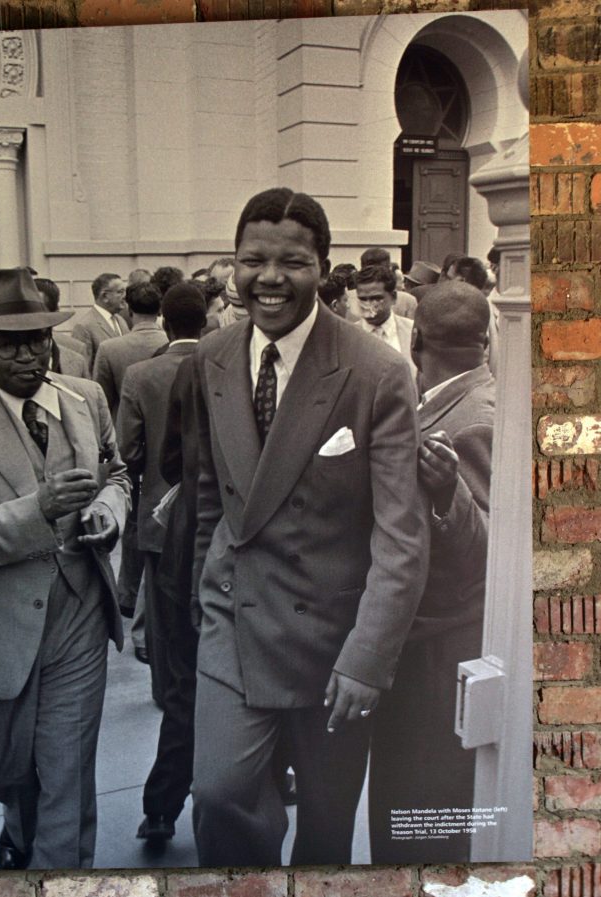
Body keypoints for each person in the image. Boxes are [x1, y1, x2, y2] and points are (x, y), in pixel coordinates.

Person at [190, 187, 429, 866]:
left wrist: (368, 656)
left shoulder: (378, 370)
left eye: (291, 262)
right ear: (233, 266)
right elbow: (210, 497)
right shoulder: (211, 356)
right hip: (233, 622)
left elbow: (401, 535)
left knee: (326, 827)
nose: (268, 278)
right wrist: (196, 607)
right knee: (218, 795)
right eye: (252, 260)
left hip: (333, 641)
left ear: (323, 268)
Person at [0, 268, 131, 870]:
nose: (28, 355)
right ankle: (18, 824)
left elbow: (118, 475)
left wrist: (108, 511)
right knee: (9, 770)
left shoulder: (86, 398)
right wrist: (38, 510)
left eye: (37, 339)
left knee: (66, 771)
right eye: (9, 344)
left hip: (80, 613)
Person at [369, 281, 495, 864]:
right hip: (429, 638)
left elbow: (490, 551)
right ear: (485, 339)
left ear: (416, 338)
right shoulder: (452, 398)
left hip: (441, 644)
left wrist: (449, 494)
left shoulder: (473, 420)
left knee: (421, 804)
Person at [124, 283, 208, 844]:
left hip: (172, 537)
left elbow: (141, 454)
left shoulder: (148, 374)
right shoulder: (224, 367)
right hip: (223, 547)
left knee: (180, 685)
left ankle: (161, 808)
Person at [93, 281, 168, 420]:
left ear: (129, 310)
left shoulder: (108, 349)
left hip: (123, 425)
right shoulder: (171, 344)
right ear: (159, 310)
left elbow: (102, 402)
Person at [354, 264, 416, 376]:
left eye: (376, 298)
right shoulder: (348, 336)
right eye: (363, 299)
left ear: (393, 297)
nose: (368, 306)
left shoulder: (412, 332)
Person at [72, 273, 130, 368]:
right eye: (120, 292)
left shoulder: (121, 321)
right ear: (105, 296)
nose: (125, 296)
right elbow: (82, 368)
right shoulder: (84, 327)